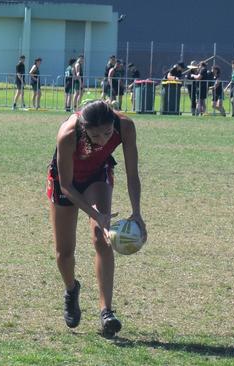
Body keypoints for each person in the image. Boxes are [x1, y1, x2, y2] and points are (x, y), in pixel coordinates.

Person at [46, 100, 147, 338]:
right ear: (84, 129)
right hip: (67, 181)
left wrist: (137, 213)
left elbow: (133, 174)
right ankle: (71, 289)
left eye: (107, 133)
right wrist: (95, 214)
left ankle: (106, 313)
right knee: (64, 253)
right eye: (94, 135)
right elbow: (68, 186)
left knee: (102, 239)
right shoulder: (68, 135)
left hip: (98, 173)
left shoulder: (125, 126)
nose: (102, 140)